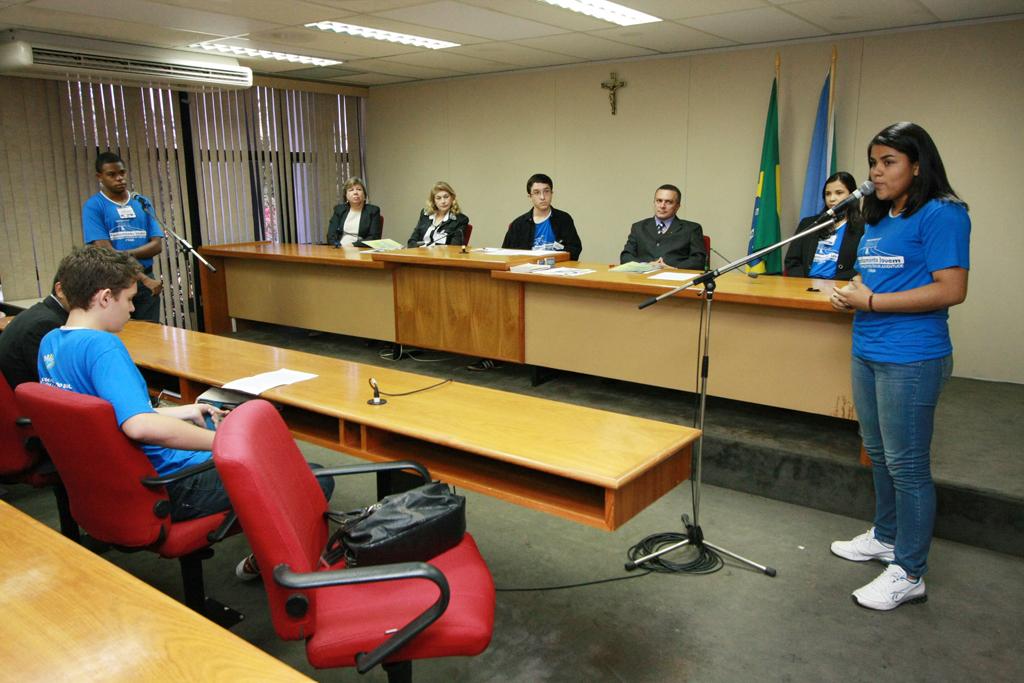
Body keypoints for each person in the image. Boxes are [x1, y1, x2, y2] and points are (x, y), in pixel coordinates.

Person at [36, 246, 334, 578]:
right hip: (170, 483)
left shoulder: (51, 343)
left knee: (226, 430)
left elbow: (105, 418)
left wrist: (184, 412)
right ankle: (278, 567)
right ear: (105, 297)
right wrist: (223, 444)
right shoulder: (103, 347)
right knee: (311, 477)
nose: (133, 309)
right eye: (129, 299)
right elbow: (138, 426)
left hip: (113, 483)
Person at [830, 122, 970, 611]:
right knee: (878, 452)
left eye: (888, 162)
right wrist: (852, 295)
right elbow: (878, 276)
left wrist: (871, 301)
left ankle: (910, 572)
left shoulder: (944, 213)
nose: (876, 172)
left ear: (917, 165)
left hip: (912, 356)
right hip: (867, 347)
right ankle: (887, 537)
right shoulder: (878, 215)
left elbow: (951, 289)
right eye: (873, 162)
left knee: (908, 465)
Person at [82, 152, 164, 323]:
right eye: (111, 174)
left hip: (146, 280)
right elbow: (106, 252)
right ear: (99, 177)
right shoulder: (94, 206)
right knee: (121, 332)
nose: (119, 178)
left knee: (150, 332)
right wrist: (143, 278)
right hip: (115, 283)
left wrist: (123, 254)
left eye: (122, 173)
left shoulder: (141, 202)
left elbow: (157, 245)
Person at [784, 172, 864, 280]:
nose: (832, 199)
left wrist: (835, 283)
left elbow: (862, 266)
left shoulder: (863, 228)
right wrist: (804, 283)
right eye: (828, 194)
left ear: (852, 195)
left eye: (839, 193)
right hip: (805, 285)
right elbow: (792, 261)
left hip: (840, 286)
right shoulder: (809, 224)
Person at [0, 278, 69, 390]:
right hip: (26, 396)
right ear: (60, 290)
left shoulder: (41, 312)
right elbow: (58, 381)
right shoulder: (46, 324)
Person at [620, 184, 706, 270]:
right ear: (654, 203)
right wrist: (645, 265)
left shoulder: (692, 229)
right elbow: (626, 256)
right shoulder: (638, 227)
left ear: (677, 206)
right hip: (643, 275)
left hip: (675, 276)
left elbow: (699, 260)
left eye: (668, 202)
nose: (662, 206)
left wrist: (674, 269)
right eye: (659, 201)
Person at [502, 173, 582, 260]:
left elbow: (575, 250)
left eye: (546, 191)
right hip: (527, 268)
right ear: (530, 196)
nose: (542, 197)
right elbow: (506, 254)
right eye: (536, 192)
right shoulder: (518, 225)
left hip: (558, 266)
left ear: (552, 193)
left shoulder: (564, 219)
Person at [407, 181, 470, 247]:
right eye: (438, 198)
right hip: (420, 252)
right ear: (433, 201)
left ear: (452, 198)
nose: (443, 201)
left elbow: (454, 247)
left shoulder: (460, 220)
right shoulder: (426, 214)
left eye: (446, 197)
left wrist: (429, 248)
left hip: (442, 253)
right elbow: (412, 241)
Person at [327, 177, 382, 247]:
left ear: (364, 195)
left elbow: (374, 237)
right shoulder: (339, 210)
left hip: (360, 248)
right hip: (339, 248)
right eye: (351, 190)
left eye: (359, 189)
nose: (355, 192)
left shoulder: (373, 211)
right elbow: (331, 235)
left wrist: (353, 245)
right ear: (346, 196)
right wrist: (338, 246)